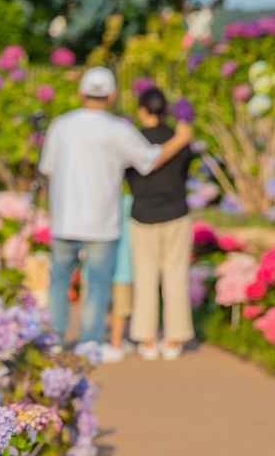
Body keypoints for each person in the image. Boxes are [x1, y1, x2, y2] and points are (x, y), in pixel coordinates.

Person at [37, 66, 192, 359]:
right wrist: (180, 140)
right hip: (101, 222)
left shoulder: (61, 126)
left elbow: (46, 169)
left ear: (81, 93)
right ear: (111, 96)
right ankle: (90, 340)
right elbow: (149, 160)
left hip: (64, 219)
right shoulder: (118, 129)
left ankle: (55, 337)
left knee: (59, 279)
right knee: (96, 283)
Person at [127, 87, 196, 360]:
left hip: (142, 214)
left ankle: (146, 340)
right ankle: (174, 339)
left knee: (145, 277)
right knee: (175, 276)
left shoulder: (133, 141)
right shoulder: (178, 139)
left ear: (142, 110)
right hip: (176, 213)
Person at [108, 193, 134, 354]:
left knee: (115, 306)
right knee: (121, 306)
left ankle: (116, 340)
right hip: (124, 266)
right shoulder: (129, 201)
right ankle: (116, 342)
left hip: (106, 263)